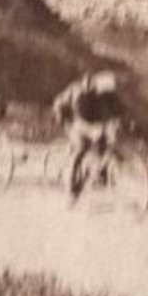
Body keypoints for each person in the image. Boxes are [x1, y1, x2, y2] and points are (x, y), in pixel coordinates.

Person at [52, 70, 126, 199]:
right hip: (72, 121)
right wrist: (93, 129)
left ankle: (101, 172)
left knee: (103, 142)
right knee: (80, 148)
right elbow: (80, 117)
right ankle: (71, 189)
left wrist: (121, 121)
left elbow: (117, 109)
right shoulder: (78, 94)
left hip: (90, 121)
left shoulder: (104, 93)